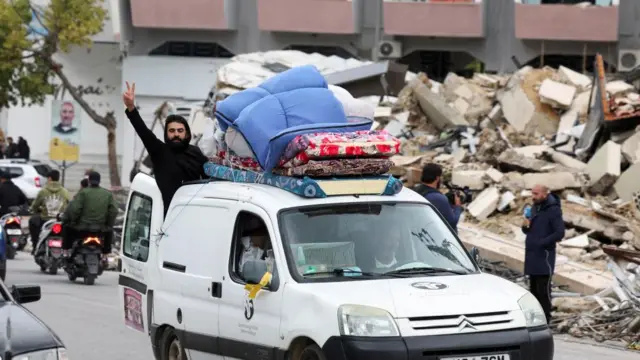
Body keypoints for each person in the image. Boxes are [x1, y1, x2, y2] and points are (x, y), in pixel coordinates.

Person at [123, 82, 208, 215]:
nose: (176, 134)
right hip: (165, 215)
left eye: (180, 130)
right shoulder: (159, 151)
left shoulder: (195, 153)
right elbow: (143, 132)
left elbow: (208, 178)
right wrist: (131, 108)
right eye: (172, 130)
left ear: (186, 133)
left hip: (193, 213)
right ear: (166, 133)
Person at [521, 184, 565, 324]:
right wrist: (525, 226)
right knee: (533, 289)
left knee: (543, 290)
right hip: (532, 254)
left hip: (544, 256)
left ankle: (546, 319)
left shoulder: (553, 210)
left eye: (536, 194)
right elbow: (528, 230)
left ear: (545, 194)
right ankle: (535, 319)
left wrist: (542, 242)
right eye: (532, 193)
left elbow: (560, 233)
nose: (533, 196)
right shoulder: (534, 207)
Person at [62, 171, 118, 257]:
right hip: (100, 230)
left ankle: (66, 251)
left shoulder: (83, 193)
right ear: (99, 181)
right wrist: (108, 225)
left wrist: (73, 222)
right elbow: (113, 211)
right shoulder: (108, 194)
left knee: (66, 227)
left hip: (82, 229)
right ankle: (106, 254)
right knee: (109, 232)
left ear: (89, 181)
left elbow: (75, 209)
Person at [28, 170, 71, 254]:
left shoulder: (43, 191)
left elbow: (34, 206)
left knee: (32, 221)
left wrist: (33, 209)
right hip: (60, 221)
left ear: (50, 178)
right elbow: (69, 205)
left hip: (45, 220)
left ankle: (35, 246)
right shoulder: (65, 192)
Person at [414, 163, 462, 232]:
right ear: (437, 178)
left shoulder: (414, 190)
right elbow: (452, 223)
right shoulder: (438, 198)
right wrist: (457, 206)